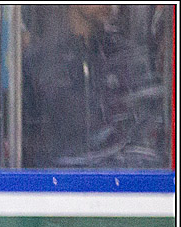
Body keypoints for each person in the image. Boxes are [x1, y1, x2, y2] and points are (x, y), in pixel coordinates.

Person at [21, 5, 167, 168]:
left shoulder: (126, 56)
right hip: (59, 176)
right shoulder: (39, 62)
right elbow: (29, 140)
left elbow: (148, 126)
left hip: (122, 174)